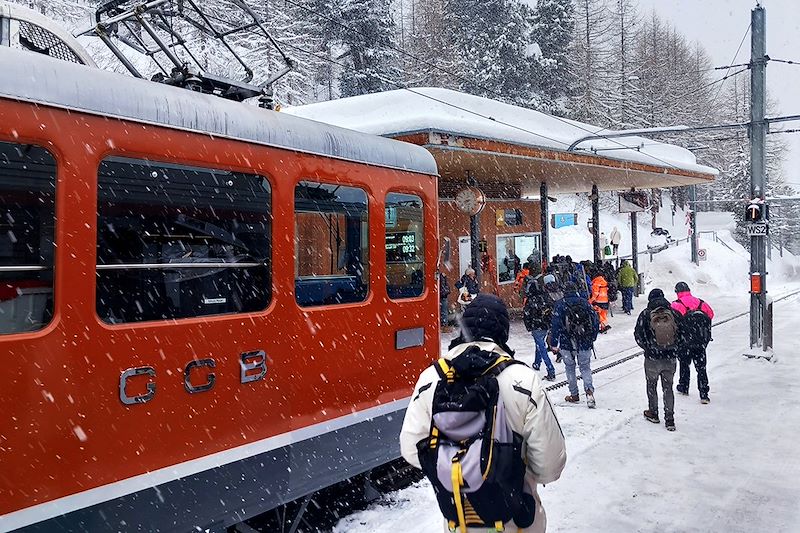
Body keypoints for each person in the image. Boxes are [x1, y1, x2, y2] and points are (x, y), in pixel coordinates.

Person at [400, 294, 567, 533]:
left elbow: (411, 448)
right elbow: (551, 465)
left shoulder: (431, 377)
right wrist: (505, 471)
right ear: (503, 333)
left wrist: (456, 468)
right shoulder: (523, 380)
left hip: (458, 521)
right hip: (514, 522)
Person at [634, 289, 683, 431]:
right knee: (668, 387)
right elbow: (683, 332)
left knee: (651, 385)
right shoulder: (673, 313)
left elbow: (638, 334)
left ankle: (653, 412)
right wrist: (674, 348)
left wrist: (648, 348)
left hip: (652, 359)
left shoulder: (645, 314)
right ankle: (670, 419)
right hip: (670, 358)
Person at [550, 282, 599, 407]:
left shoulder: (560, 304)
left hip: (567, 343)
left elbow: (555, 326)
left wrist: (554, 343)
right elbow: (595, 321)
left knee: (570, 368)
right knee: (585, 367)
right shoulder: (585, 303)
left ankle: (574, 394)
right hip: (585, 341)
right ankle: (589, 392)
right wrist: (592, 337)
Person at [671, 282, 714, 404]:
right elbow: (710, 314)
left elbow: (672, 321)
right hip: (700, 341)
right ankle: (704, 393)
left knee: (684, 364)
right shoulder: (701, 302)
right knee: (701, 367)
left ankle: (684, 386)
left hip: (685, 341)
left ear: (677, 292)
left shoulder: (676, 304)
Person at [523, 280, 556, 381]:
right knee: (540, 344)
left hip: (536, 326)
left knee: (541, 347)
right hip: (545, 325)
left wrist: (529, 327)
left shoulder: (531, 300)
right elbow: (552, 309)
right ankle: (537, 363)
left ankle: (550, 369)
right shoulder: (545, 297)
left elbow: (526, 315)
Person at [589, 269, 611, 333]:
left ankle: (603, 326)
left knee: (598, 315)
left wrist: (590, 300)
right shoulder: (604, 281)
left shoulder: (596, 282)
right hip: (605, 301)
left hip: (599, 301)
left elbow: (595, 293)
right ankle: (603, 327)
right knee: (603, 315)